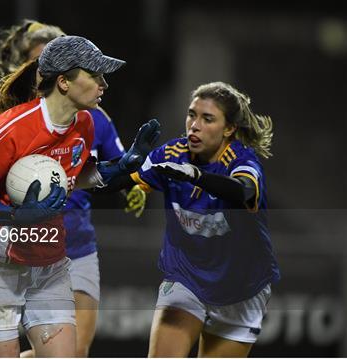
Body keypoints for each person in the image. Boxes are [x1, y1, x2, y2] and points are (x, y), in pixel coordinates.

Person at [0, 20, 148, 357]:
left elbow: (71, 180)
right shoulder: (11, 128)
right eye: (95, 75)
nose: (104, 84)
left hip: (47, 263)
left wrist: (116, 169)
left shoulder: (84, 122)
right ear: (64, 82)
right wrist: (14, 214)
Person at [110, 81, 279, 357]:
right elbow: (117, 181)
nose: (194, 125)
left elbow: (243, 192)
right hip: (186, 278)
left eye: (207, 118)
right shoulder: (171, 154)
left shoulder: (241, 162)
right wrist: (129, 166)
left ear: (229, 128)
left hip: (241, 287)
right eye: (192, 114)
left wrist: (196, 176)